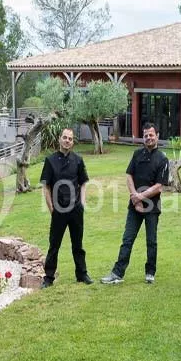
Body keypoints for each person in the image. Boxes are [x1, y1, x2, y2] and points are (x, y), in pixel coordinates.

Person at [101, 122, 169, 285]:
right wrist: (134, 197)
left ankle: (150, 272)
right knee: (127, 239)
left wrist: (140, 197)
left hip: (152, 207)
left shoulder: (162, 159)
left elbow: (159, 186)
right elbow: (129, 176)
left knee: (151, 241)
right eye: (145, 135)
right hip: (134, 207)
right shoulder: (137, 154)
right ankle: (117, 273)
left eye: (151, 135)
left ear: (157, 136)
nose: (148, 138)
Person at [40, 127, 92, 288]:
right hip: (58, 210)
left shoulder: (78, 160)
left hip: (76, 210)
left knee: (78, 245)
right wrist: (52, 209)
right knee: (54, 245)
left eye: (70, 138)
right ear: (59, 139)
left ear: (72, 142)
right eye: (65, 137)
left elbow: (83, 183)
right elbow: (46, 187)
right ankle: (48, 277)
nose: (67, 141)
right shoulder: (50, 161)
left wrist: (82, 203)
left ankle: (82, 274)